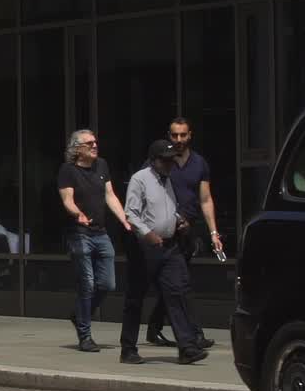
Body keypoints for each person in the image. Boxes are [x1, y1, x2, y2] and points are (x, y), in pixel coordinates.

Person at [120, 140, 210, 366]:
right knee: (136, 297)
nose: (170, 164)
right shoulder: (140, 179)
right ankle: (128, 349)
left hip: (170, 246)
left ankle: (187, 347)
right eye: (165, 160)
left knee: (177, 292)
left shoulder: (168, 180)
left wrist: (180, 222)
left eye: (172, 160)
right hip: (145, 248)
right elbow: (131, 213)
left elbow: (167, 209)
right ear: (153, 161)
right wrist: (148, 234)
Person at [145, 116, 223, 350]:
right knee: (179, 284)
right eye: (174, 135)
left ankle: (156, 327)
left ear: (190, 136)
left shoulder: (199, 164)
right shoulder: (160, 162)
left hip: (187, 233)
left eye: (183, 135)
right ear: (169, 136)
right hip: (163, 234)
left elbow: (206, 199)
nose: (178, 140)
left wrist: (213, 234)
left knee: (176, 284)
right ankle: (194, 335)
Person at [56, 129, 131, 353]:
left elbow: (110, 195)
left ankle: (80, 314)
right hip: (79, 233)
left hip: (100, 232)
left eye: (96, 142)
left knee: (108, 283)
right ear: (77, 148)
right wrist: (77, 213)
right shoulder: (68, 170)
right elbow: (67, 199)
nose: (95, 146)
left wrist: (124, 219)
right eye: (90, 144)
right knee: (86, 284)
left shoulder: (102, 166)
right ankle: (85, 336)